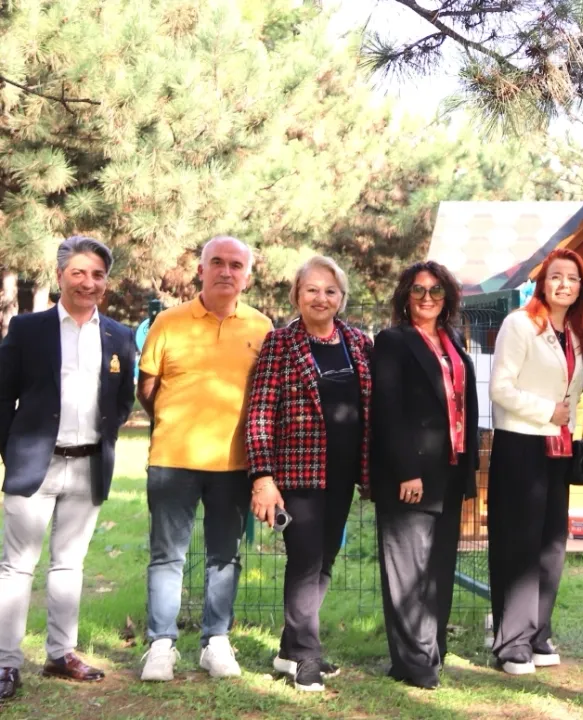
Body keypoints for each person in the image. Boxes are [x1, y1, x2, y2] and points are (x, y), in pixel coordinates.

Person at [0, 237, 136, 701]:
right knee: (17, 567)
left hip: (88, 466)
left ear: (105, 282)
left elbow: (122, 399)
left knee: (69, 564)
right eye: (78, 272)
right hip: (33, 465)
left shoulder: (119, 336)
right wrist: (12, 450)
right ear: (60, 276)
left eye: (97, 275)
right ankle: (6, 662)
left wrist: (103, 436)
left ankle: (61, 653)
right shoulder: (28, 328)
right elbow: (2, 395)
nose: (88, 282)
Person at [136, 235, 273, 682]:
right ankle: (161, 644)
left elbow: (266, 397)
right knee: (167, 556)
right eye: (217, 262)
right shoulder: (168, 323)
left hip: (234, 464)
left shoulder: (262, 327)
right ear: (201, 270)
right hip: (173, 461)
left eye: (236, 265)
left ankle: (216, 641)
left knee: (224, 557)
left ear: (247, 276)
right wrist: (177, 425)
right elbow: (147, 389)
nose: (226, 271)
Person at [244, 256, 373, 691]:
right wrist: (263, 477)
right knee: (304, 561)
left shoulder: (358, 343)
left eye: (330, 291)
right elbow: (260, 413)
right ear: (297, 295)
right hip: (298, 473)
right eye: (312, 289)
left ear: (342, 297)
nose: (321, 298)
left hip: (343, 473)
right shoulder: (280, 344)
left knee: (325, 560)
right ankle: (305, 655)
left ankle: (289, 649)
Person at [371, 261, 479, 689]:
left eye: (435, 290)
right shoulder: (393, 341)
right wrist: (406, 471)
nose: (427, 298)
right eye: (418, 290)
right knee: (408, 572)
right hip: (410, 476)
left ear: (447, 297)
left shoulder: (453, 341)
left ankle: (431, 651)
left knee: (438, 568)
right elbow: (388, 410)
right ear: (405, 296)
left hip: (448, 471)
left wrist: (467, 471)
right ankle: (414, 664)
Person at [488, 248, 583, 675]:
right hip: (521, 445)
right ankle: (511, 641)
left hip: (558, 450)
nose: (565, 284)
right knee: (519, 544)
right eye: (556, 276)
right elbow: (500, 388)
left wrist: (563, 423)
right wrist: (549, 411)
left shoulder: (576, 333)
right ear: (542, 283)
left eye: (573, 278)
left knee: (551, 545)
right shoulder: (519, 324)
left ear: (582, 287)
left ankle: (537, 633)